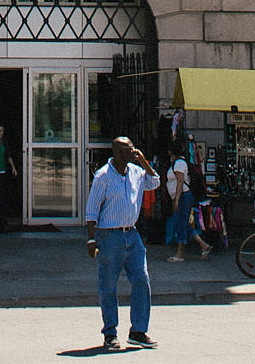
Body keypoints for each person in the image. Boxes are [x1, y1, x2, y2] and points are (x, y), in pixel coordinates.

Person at [84, 134, 158, 351]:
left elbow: (154, 182)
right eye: (129, 148)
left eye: (133, 147)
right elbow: (91, 210)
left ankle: (138, 331)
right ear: (117, 152)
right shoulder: (103, 176)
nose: (133, 151)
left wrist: (144, 161)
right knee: (108, 286)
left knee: (142, 280)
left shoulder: (136, 172)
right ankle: (110, 333)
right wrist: (91, 239)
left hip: (132, 235)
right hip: (109, 236)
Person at [162, 152, 206, 261]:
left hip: (183, 196)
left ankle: (180, 253)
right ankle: (203, 245)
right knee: (182, 222)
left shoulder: (179, 163)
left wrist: (176, 200)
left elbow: (180, 181)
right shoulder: (178, 163)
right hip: (181, 196)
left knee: (181, 223)